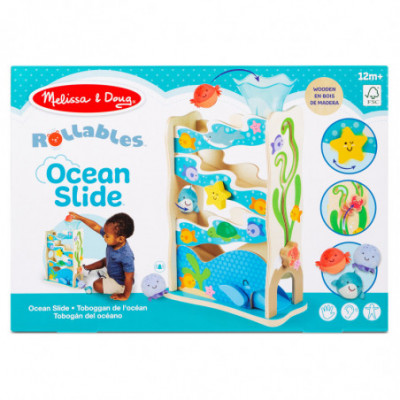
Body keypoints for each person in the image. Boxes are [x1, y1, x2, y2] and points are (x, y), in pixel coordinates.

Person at [68, 212, 135, 301]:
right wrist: (80, 218)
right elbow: (95, 226)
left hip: (119, 283)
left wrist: (125, 295)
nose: (104, 237)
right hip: (112, 268)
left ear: (120, 239)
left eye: (107, 236)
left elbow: (129, 277)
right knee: (105, 260)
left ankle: (109, 281)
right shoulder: (114, 238)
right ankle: (86, 269)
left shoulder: (126, 256)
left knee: (96, 285)